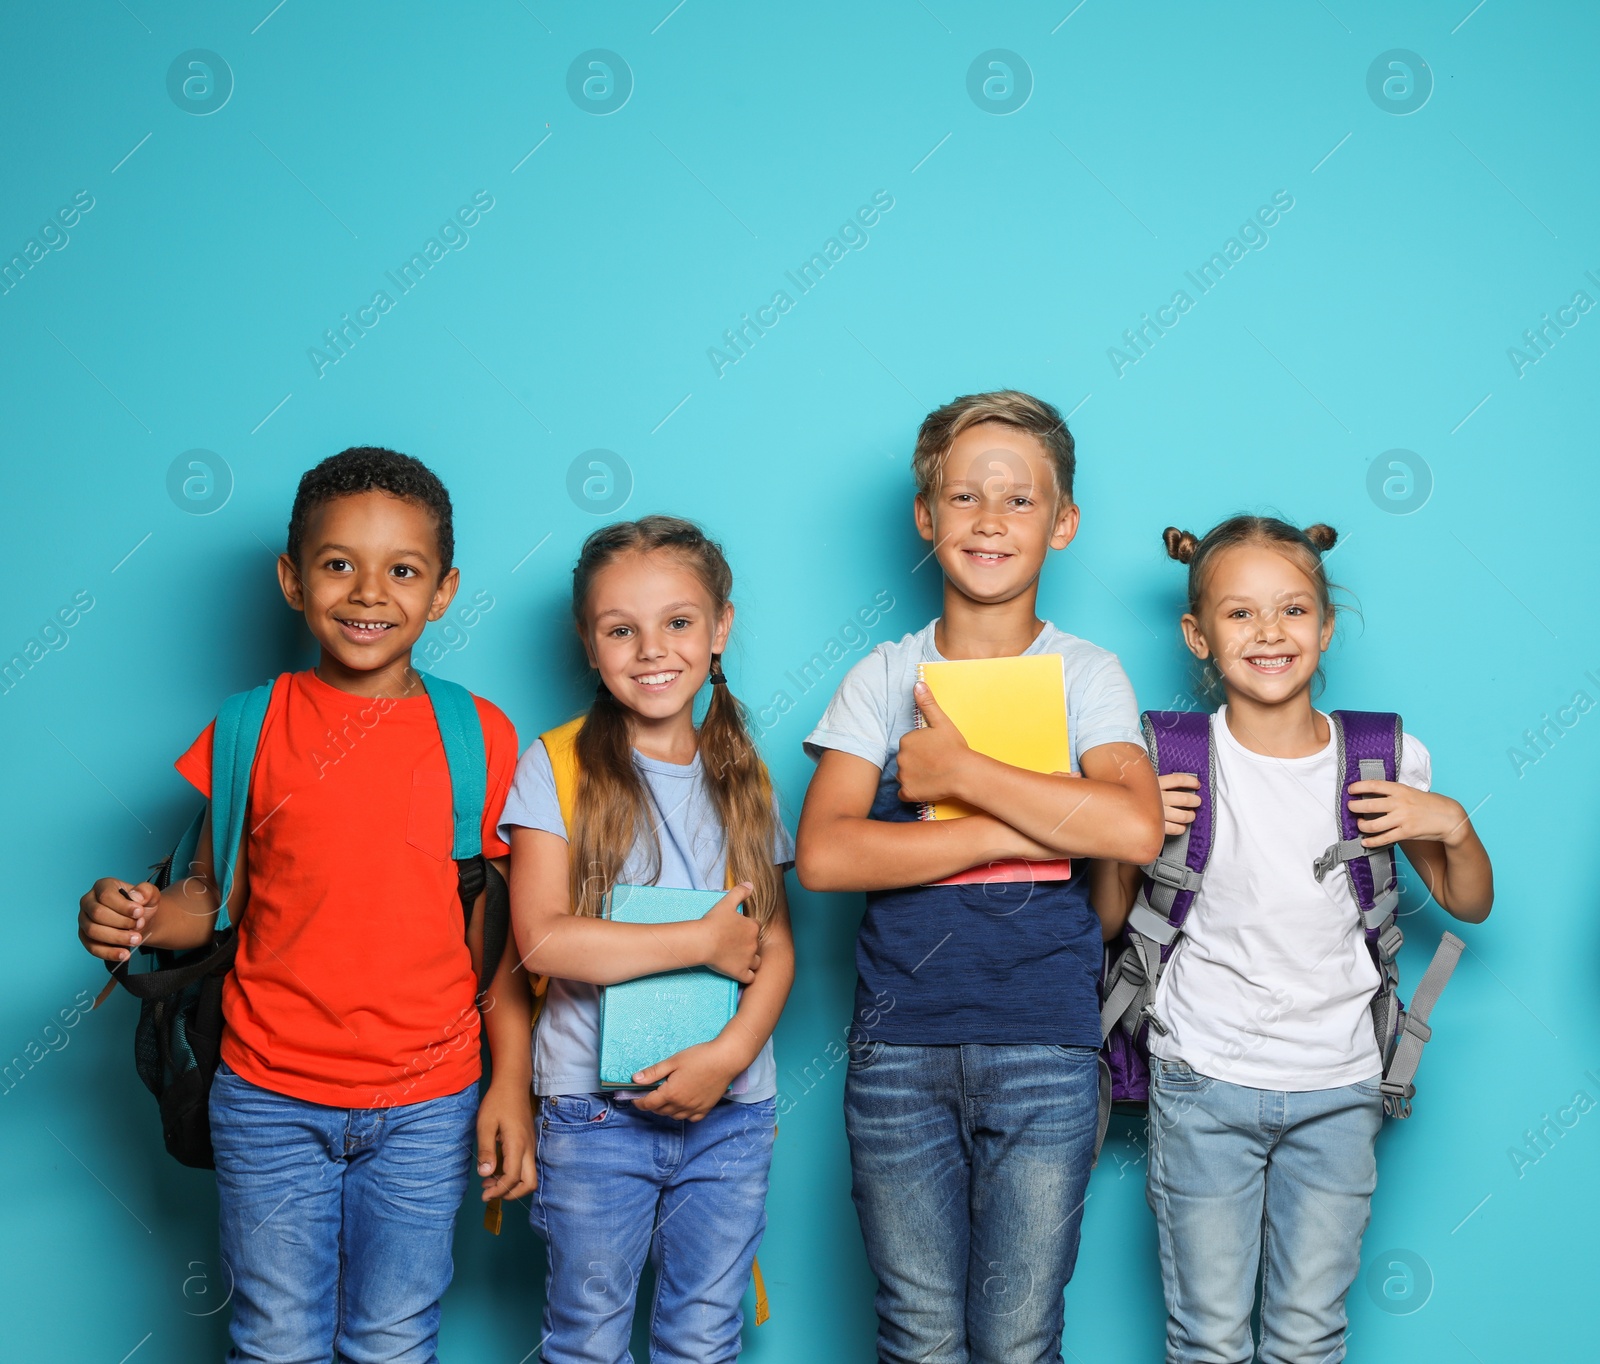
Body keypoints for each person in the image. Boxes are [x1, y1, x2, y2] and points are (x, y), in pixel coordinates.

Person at [76, 447, 535, 1364]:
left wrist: (510, 1087)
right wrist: (131, 915)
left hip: (429, 1101)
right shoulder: (250, 724)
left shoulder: (475, 734)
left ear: (443, 591)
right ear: (292, 580)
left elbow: (501, 942)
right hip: (269, 1094)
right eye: (338, 565)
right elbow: (207, 900)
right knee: (277, 1337)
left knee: (395, 1337)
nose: (369, 592)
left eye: (402, 570)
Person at [794, 391, 1165, 1364]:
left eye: (1018, 499)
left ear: (1063, 521)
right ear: (925, 515)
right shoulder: (882, 675)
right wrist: (1025, 830)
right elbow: (828, 853)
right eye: (963, 496)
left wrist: (958, 776)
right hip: (898, 1052)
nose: (989, 520)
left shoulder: (1087, 674)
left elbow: (1129, 824)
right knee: (916, 1334)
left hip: (1046, 1045)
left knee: (1016, 1336)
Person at [1093, 516, 1494, 1364]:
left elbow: (1469, 900)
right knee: (1207, 1335)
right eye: (1240, 615)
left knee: (1309, 1334)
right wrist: (1129, 837)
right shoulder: (1164, 757)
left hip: (1341, 1086)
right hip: (1199, 1079)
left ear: (1326, 626)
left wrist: (1451, 823)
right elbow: (1105, 920)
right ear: (1197, 636)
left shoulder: (1383, 758)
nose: (1269, 634)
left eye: (1293, 611)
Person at [503, 515, 795, 1364]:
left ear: (720, 630)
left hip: (731, 1114)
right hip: (595, 1116)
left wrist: (728, 1055)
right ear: (588, 646)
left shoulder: (745, 776)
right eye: (620, 629)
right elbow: (541, 942)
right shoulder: (553, 763)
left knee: (704, 1334)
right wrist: (699, 943)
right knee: (588, 1340)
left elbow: (774, 949)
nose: (650, 649)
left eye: (678, 622)